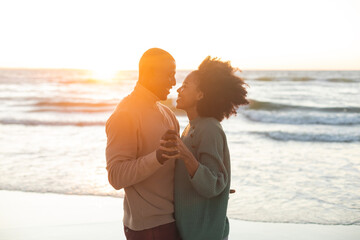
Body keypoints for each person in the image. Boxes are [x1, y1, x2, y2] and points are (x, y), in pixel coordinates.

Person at [162, 57, 249, 240]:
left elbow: (213, 184)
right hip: (192, 232)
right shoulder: (191, 127)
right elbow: (216, 180)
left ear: (200, 94)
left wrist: (187, 156)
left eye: (185, 86)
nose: (179, 89)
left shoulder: (209, 128)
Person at [105, 48, 182, 240]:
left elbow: (176, 169)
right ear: (151, 73)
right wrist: (157, 157)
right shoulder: (125, 114)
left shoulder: (168, 114)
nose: (174, 82)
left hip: (175, 220)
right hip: (148, 228)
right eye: (169, 75)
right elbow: (116, 176)